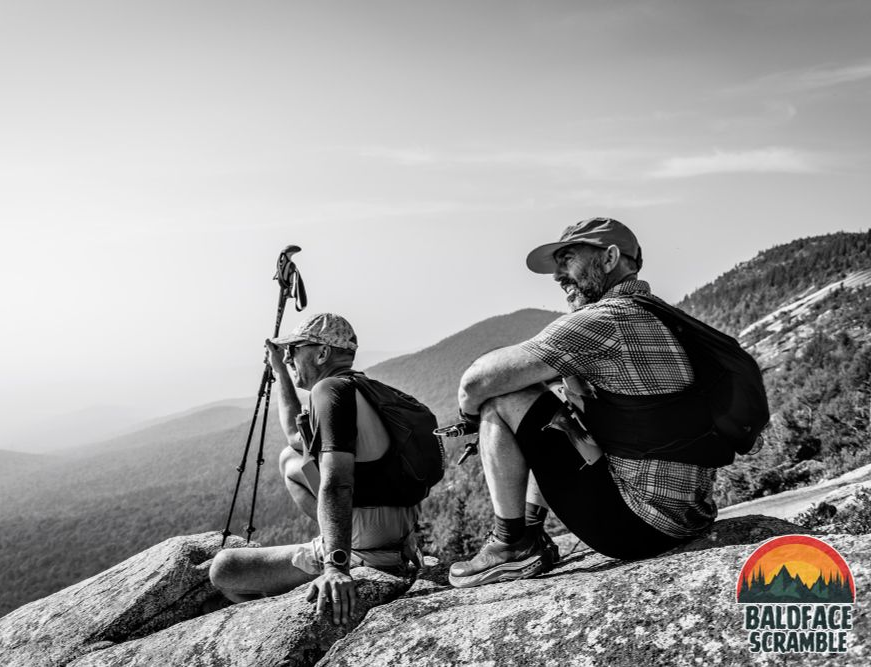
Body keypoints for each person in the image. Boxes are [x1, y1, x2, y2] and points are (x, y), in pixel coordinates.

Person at [448, 217, 718, 588]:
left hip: (638, 525)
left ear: (609, 259)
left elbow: (476, 380)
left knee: (504, 397)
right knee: (557, 404)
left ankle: (511, 544)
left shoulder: (604, 320)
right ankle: (528, 533)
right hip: (689, 514)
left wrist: (470, 415)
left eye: (568, 258)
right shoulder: (660, 314)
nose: (559, 275)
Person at [210, 312, 424, 624]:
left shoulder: (329, 392)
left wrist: (336, 565)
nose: (289, 356)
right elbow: (297, 439)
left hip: (367, 547)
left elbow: (338, 483)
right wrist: (281, 370)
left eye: (294, 349)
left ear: (322, 353)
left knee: (224, 568)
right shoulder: (368, 391)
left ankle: (327, 559)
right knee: (290, 458)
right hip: (398, 537)